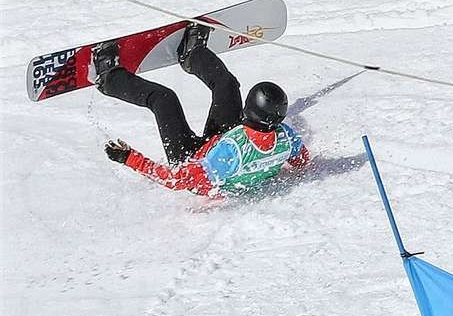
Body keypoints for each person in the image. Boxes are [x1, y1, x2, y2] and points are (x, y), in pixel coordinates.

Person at [96, 20, 308, 195]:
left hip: (192, 158)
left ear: (249, 110)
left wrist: (130, 158)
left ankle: (110, 79)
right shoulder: (286, 138)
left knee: (164, 99)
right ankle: (193, 54)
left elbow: (176, 180)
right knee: (226, 84)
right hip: (222, 140)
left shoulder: (230, 154)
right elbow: (301, 160)